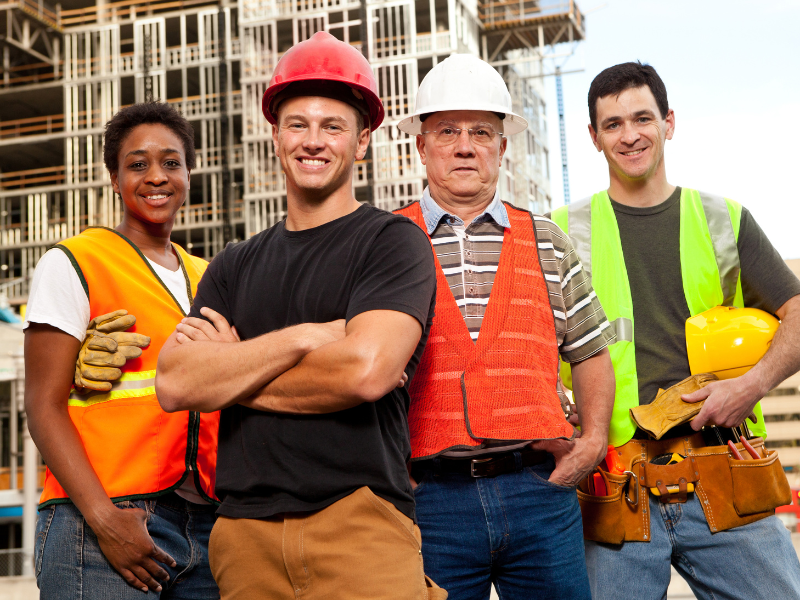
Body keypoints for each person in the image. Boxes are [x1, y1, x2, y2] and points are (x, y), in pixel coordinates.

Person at [155, 32, 444, 600]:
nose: (313, 142)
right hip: (243, 539)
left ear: (362, 141)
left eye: (332, 127)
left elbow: (365, 371)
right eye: (297, 124)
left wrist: (232, 372)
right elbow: (176, 382)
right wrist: (310, 337)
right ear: (275, 137)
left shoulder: (392, 243)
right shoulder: (233, 266)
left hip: (360, 527)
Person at [551, 61, 800, 599]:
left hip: (724, 473)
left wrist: (749, 387)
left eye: (642, 118)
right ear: (593, 138)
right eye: (612, 124)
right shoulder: (560, 232)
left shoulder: (723, 219)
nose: (630, 135)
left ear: (668, 122)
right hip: (615, 486)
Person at [391, 53, 617, 600]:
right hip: (428, 499)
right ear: (421, 145)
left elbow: (591, 352)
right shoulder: (384, 243)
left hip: (538, 490)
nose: (465, 146)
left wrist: (592, 443)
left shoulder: (547, 241)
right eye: (447, 131)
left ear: (502, 147)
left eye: (481, 132)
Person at [24, 102, 220, 598]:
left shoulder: (209, 278)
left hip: (203, 524)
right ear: (114, 177)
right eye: (137, 164)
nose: (157, 176)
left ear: (189, 173)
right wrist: (104, 520)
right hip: (100, 518)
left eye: (171, 162)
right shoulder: (75, 262)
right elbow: (42, 406)